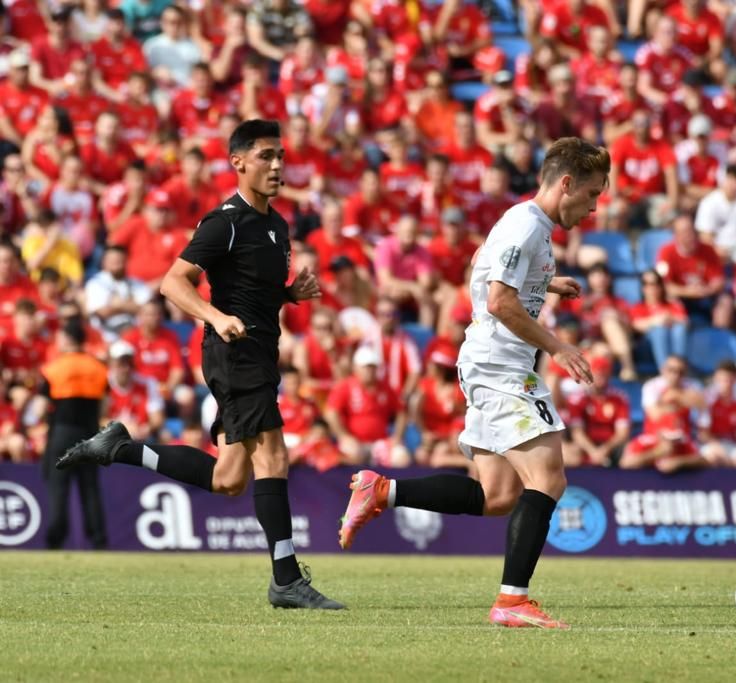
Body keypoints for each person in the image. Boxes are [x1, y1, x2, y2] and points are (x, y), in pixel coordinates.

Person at [56, 119, 342, 610]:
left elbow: (254, 290)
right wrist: (216, 316)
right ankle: (286, 579)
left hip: (257, 352)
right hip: (234, 354)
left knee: (229, 478)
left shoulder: (276, 225)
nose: (277, 166)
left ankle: (120, 449)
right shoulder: (224, 221)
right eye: (266, 156)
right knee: (273, 456)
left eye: (280, 157)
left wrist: (289, 295)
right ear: (238, 162)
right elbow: (173, 282)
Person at [337, 137, 607, 629]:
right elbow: (500, 301)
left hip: (489, 362)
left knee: (497, 496)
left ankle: (382, 491)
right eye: (591, 194)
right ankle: (512, 601)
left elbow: (479, 270)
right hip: (501, 366)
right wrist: (557, 347)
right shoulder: (525, 227)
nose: (593, 207)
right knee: (547, 479)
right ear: (565, 183)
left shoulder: (528, 226)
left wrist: (546, 284)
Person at [39, 319, 108, 550]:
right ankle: (98, 538)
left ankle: (56, 537)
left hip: (62, 431)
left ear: (67, 339)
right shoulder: (98, 368)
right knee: (90, 488)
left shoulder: (54, 368)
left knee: (58, 487)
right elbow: (105, 406)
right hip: (89, 433)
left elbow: (40, 408)